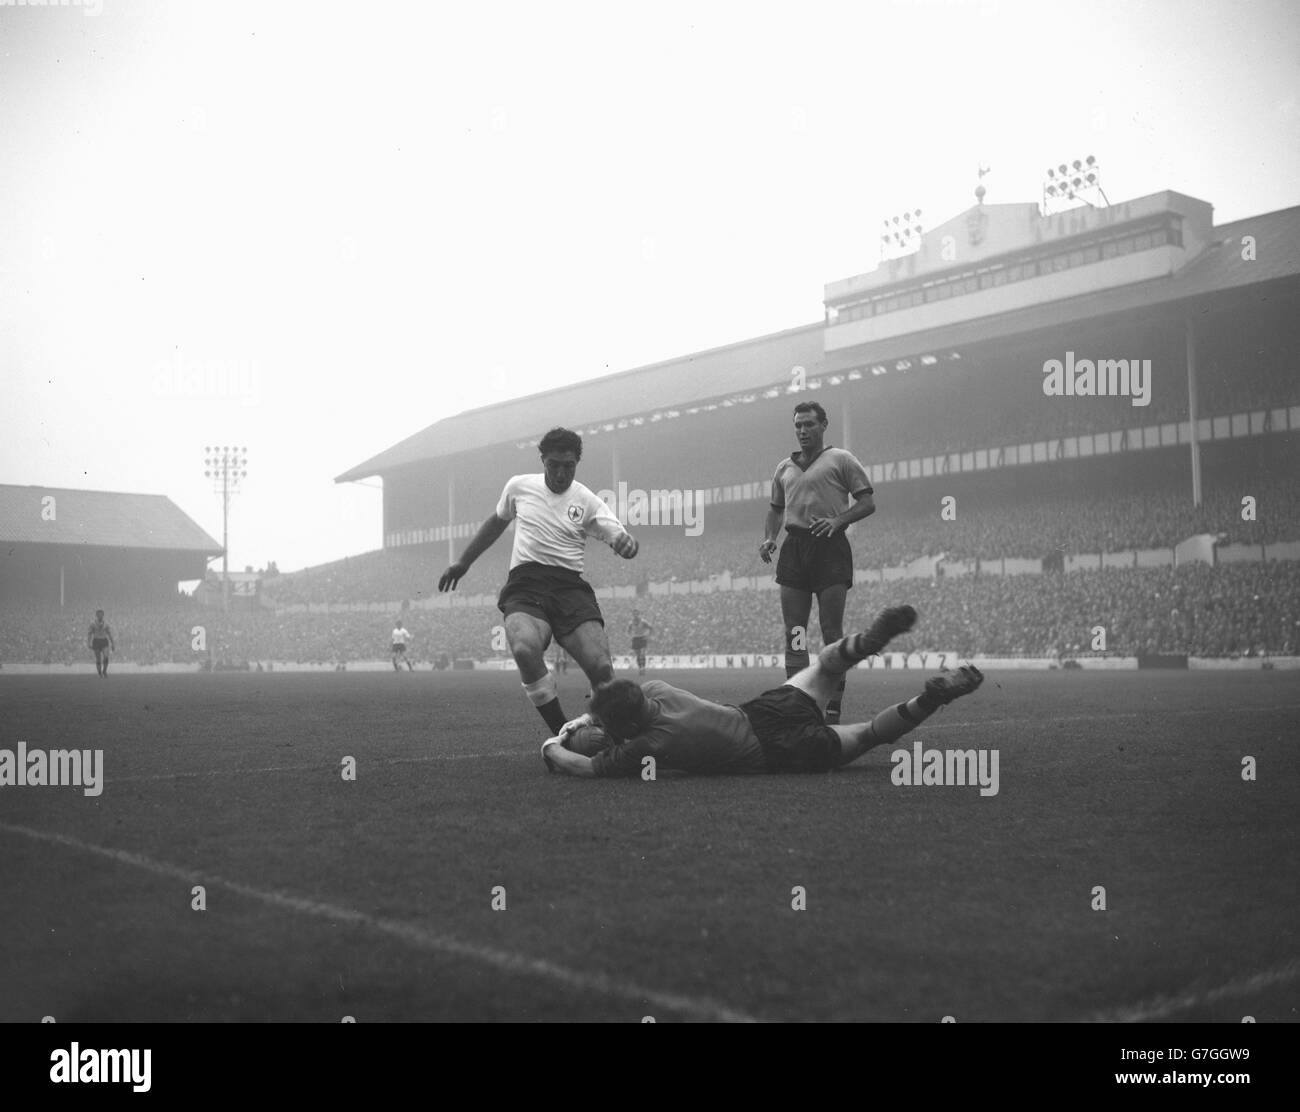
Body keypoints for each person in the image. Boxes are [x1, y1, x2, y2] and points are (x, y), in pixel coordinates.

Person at [542, 605, 984, 778]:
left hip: (779, 750)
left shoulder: (647, 744)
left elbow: (587, 767)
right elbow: (617, 703)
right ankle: (861, 645)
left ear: (625, 726)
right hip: (763, 709)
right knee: (826, 665)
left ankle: (932, 698)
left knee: (869, 734)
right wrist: (587, 719)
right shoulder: (654, 687)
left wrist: (552, 749)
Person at [438, 427, 639, 734]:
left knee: (601, 669)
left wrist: (628, 545)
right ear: (542, 460)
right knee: (524, 649)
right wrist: (463, 562)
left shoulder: (587, 501)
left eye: (568, 466)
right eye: (554, 465)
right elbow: (496, 522)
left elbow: (620, 536)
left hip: (570, 588)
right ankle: (563, 735)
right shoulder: (519, 487)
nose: (561, 473)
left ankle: (608, 735)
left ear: (576, 463)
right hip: (526, 585)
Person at [759, 400, 875, 725]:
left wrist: (839, 521)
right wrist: (770, 537)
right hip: (795, 549)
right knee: (795, 631)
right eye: (798, 425)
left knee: (830, 631)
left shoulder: (841, 459)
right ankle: (798, 709)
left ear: (824, 425)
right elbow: (776, 509)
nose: (802, 430)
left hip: (829, 547)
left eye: (809, 424)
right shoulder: (784, 467)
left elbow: (867, 502)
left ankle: (833, 709)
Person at [87, 609, 116, 677]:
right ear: (96, 615)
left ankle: (104, 671)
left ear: (103, 615)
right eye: (98, 614)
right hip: (96, 641)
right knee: (98, 659)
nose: (100, 616)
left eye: (101, 614)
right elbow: (90, 634)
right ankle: (99, 672)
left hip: (104, 641)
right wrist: (88, 643)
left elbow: (109, 634)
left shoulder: (106, 624)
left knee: (106, 657)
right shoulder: (93, 623)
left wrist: (113, 643)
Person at [627, 609, 654, 676]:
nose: (635, 615)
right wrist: (630, 636)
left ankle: (643, 668)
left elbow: (651, 628)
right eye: (634, 614)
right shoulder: (631, 623)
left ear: (639, 614)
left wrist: (648, 635)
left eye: (637, 614)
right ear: (633, 615)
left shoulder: (643, 622)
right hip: (635, 639)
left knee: (642, 653)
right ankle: (640, 668)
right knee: (638, 655)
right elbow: (628, 631)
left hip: (642, 638)